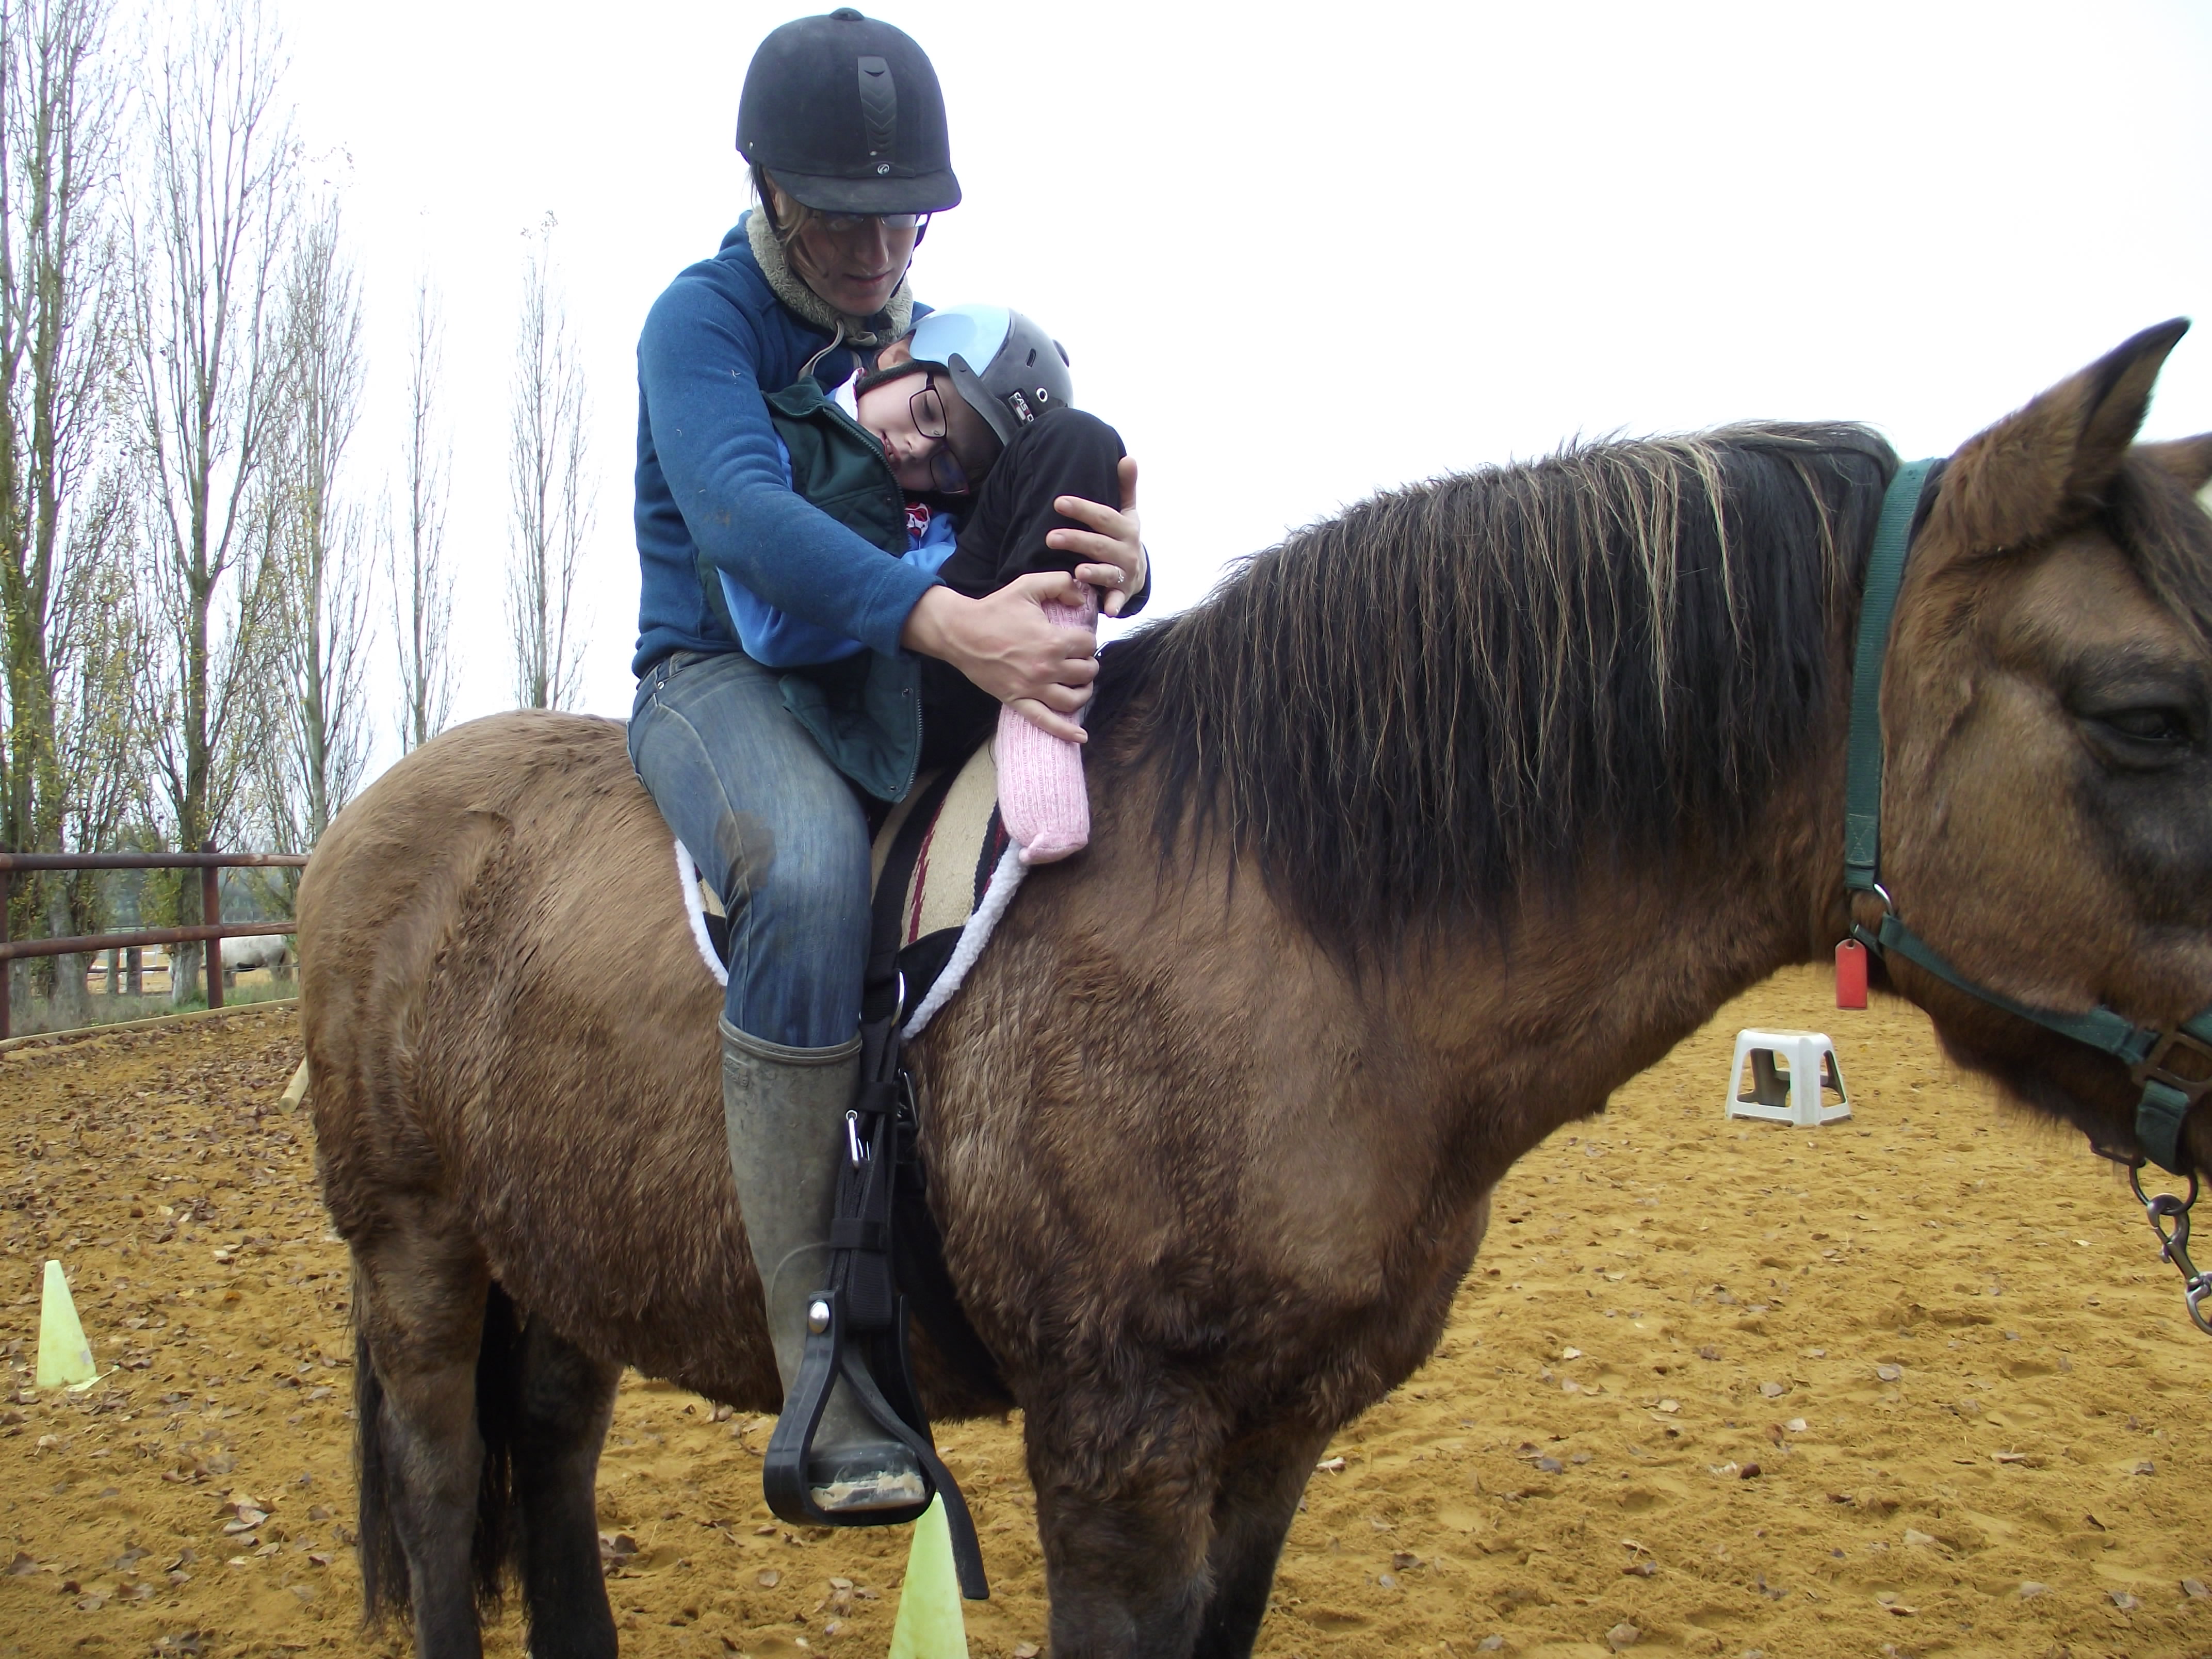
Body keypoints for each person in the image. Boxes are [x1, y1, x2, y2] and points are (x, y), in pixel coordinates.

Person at [626, 9, 1144, 1517]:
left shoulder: (918, 337)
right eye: (840, 223)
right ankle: (823, 1360)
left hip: (897, 664)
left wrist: (1118, 562)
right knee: (801, 871)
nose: (875, 256)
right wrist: (953, 628)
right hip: (720, 673)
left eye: (901, 222)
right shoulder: (700, 322)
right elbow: (741, 517)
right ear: (768, 192)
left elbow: (999, 504)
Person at [719, 302, 1142, 863]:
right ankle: (1038, 698)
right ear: (895, 356)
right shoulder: (789, 434)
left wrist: (1133, 570)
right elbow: (769, 623)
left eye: (948, 464)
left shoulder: (942, 502)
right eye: (929, 413)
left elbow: (1039, 512)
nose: (920, 449)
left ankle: (1041, 722)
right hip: (872, 692)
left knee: (1078, 437)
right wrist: (938, 574)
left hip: (968, 669)